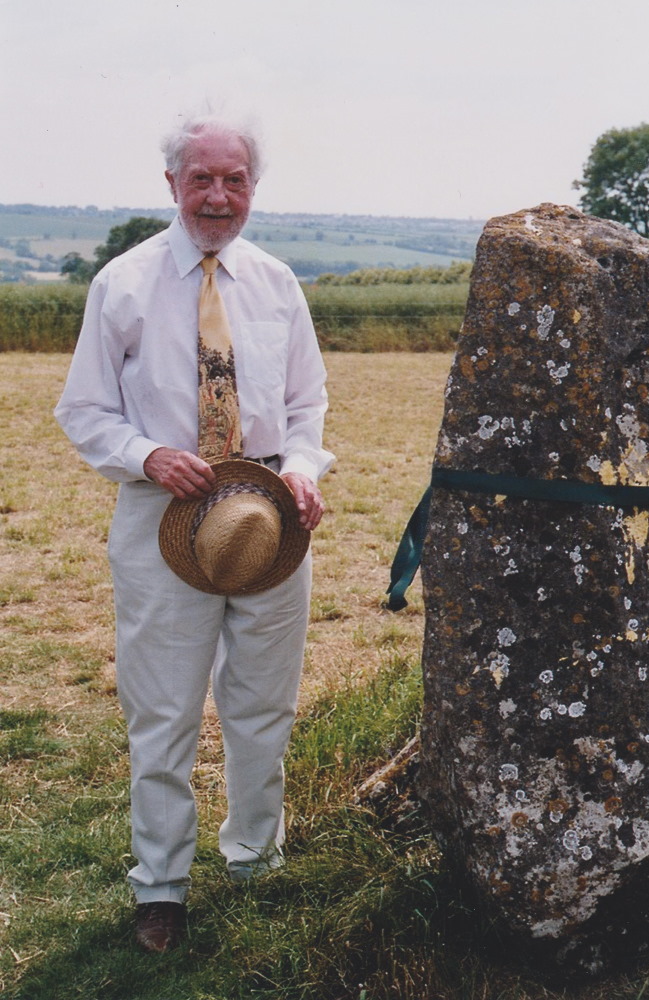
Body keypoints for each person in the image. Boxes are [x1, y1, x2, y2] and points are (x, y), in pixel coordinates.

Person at [54, 108, 334, 953]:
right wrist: (147, 455)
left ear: (254, 188)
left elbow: (307, 405)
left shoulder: (278, 283)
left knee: (262, 705)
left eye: (235, 180)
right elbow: (84, 410)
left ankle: (255, 859)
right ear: (172, 184)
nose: (219, 196)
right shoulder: (125, 284)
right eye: (202, 179)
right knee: (164, 710)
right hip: (161, 520)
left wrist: (303, 471)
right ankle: (162, 885)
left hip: (269, 523)